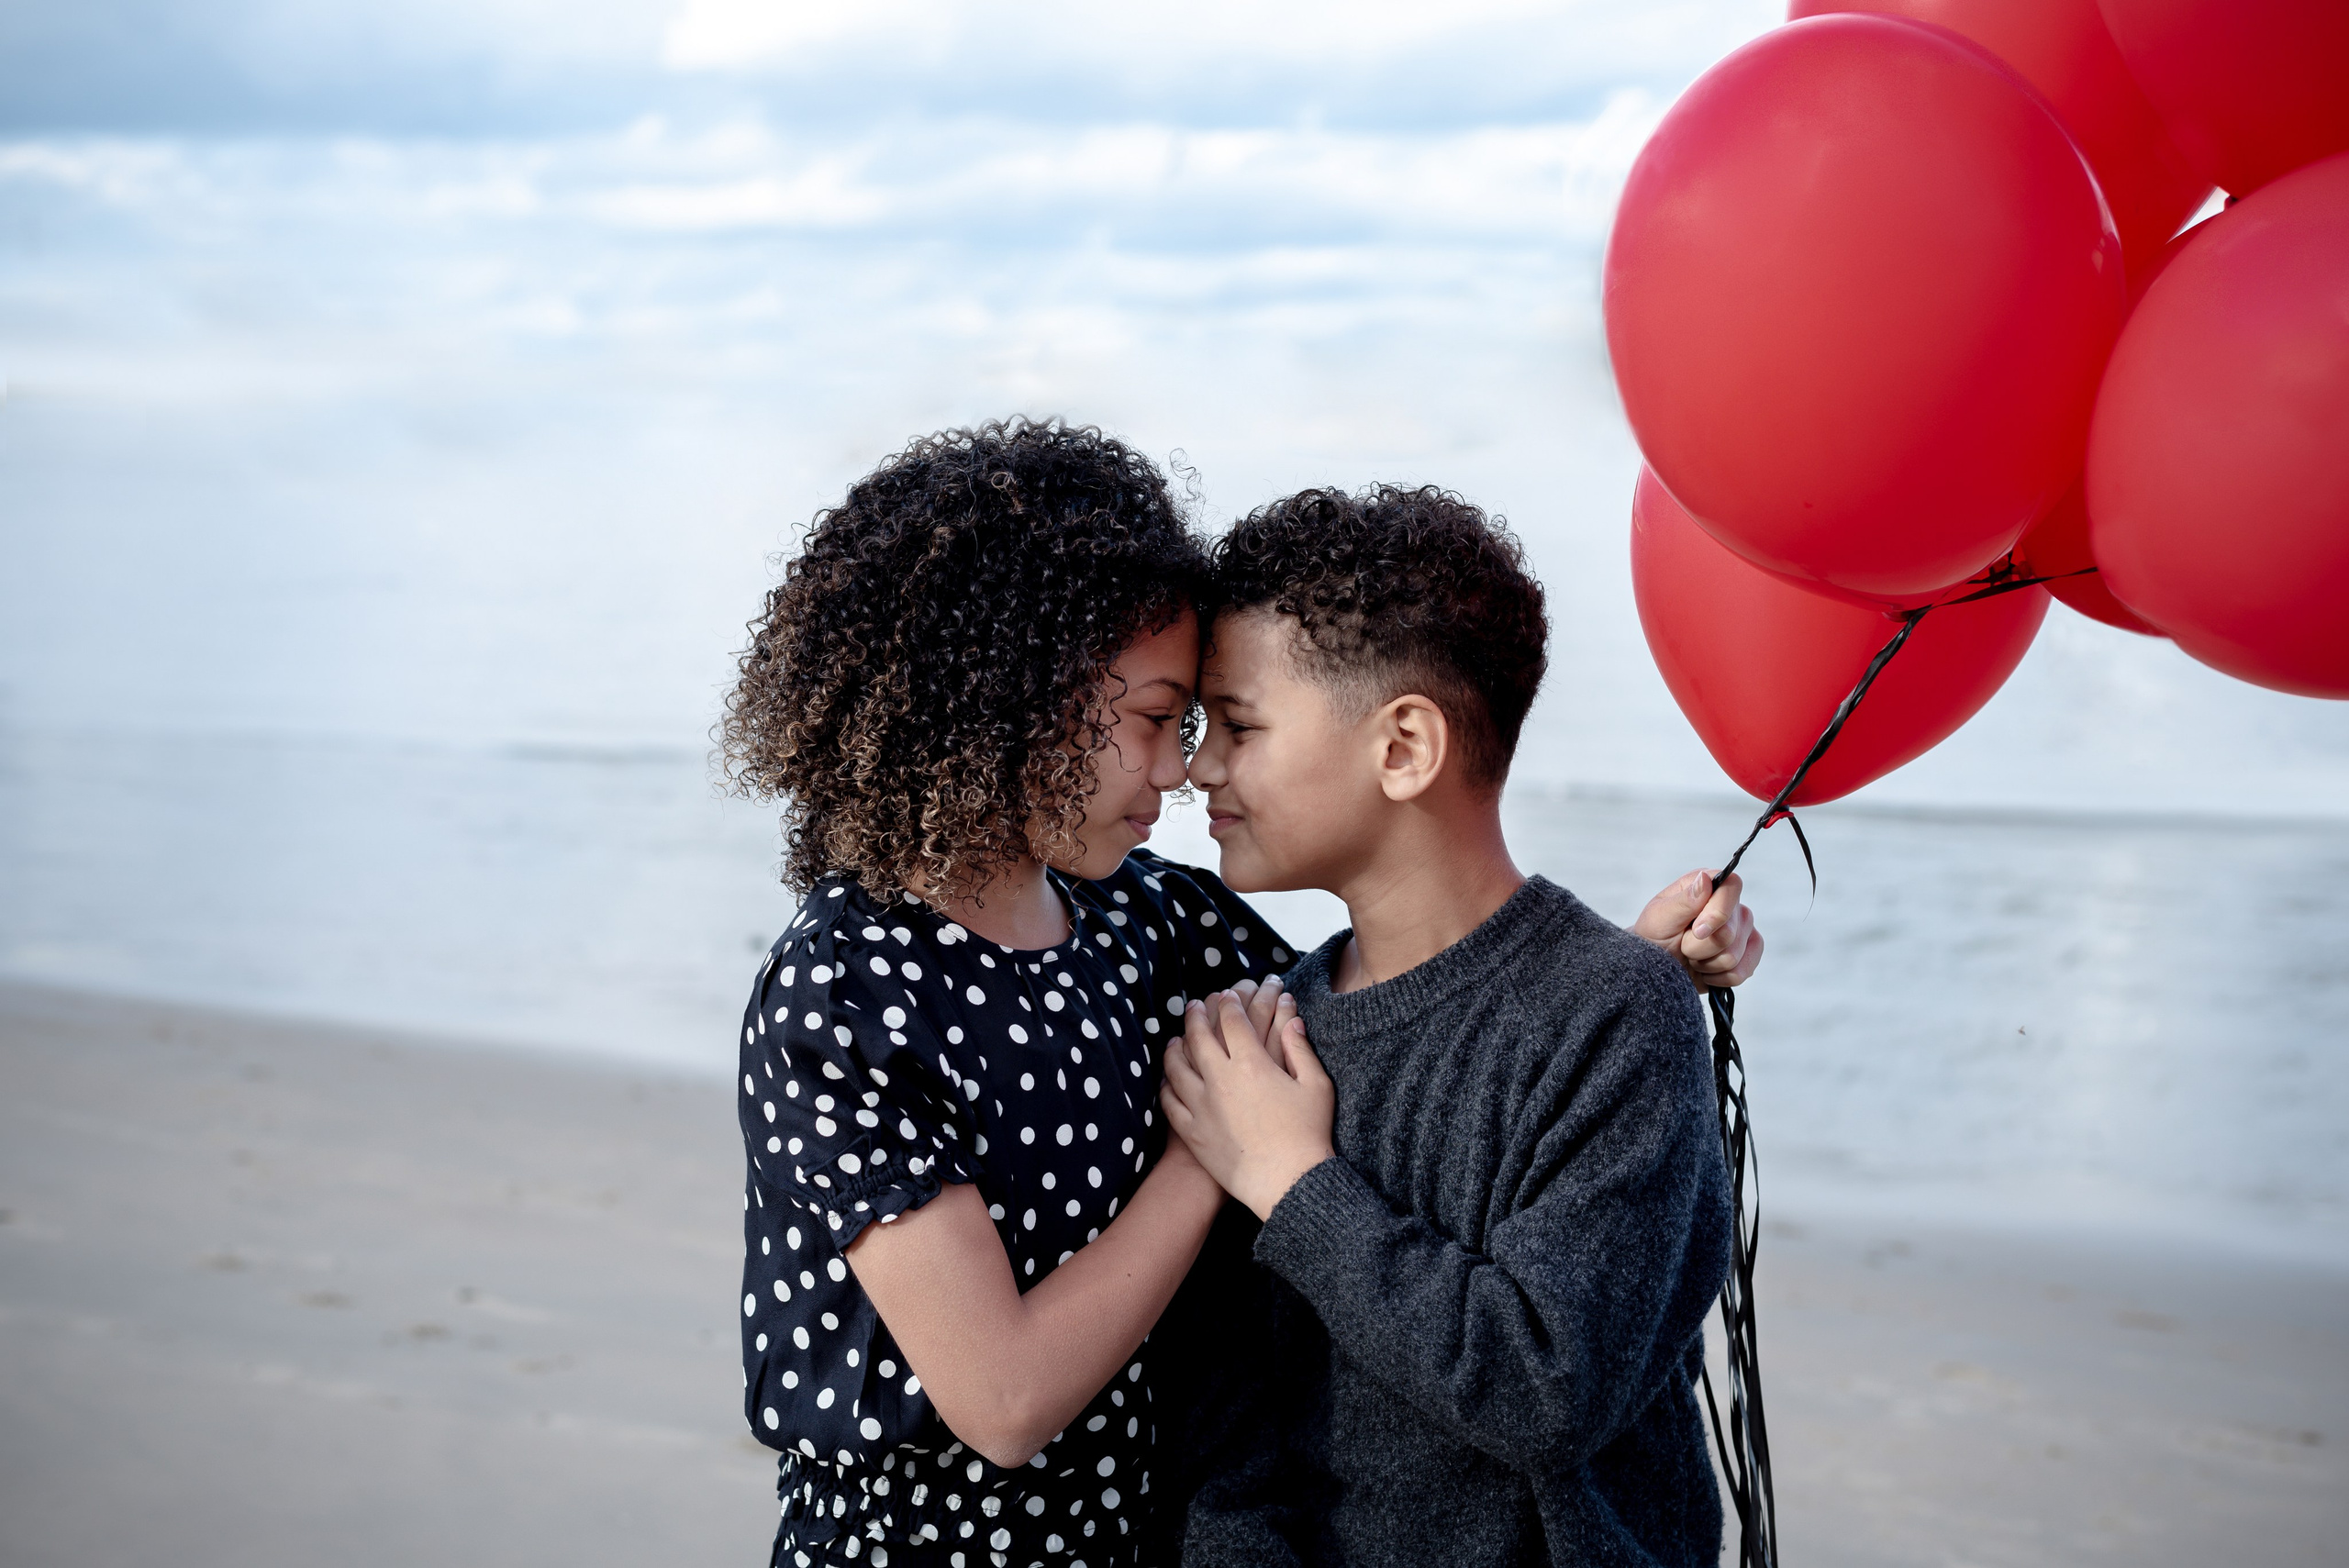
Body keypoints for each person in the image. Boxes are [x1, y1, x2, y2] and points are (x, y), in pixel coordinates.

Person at [718, 422, 1756, 1568]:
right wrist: (1233, 1158)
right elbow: (1053, 1395)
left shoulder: (1154, 927)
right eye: (1164, 720)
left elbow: (1433, 992)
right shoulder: (851, 991)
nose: (1184, 771)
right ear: (1009, 699)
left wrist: (1633, 966)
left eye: (1218, 727)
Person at [1164, 484, 1750, 1568]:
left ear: (1403, 748)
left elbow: (1545, 1386)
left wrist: (1295, 1180)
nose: (1199, 767)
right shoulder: (1261, 1049)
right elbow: (1221, 1434)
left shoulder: (1618, 1014)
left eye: (1237, 725)